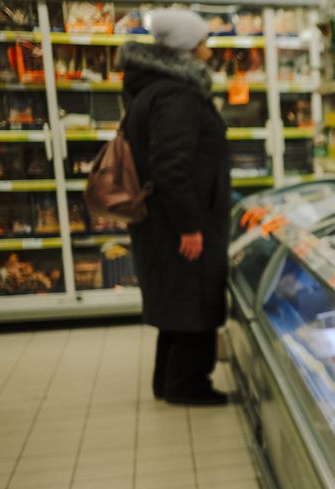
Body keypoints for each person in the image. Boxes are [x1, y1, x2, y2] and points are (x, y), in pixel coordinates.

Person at [118, 9, 230, 406]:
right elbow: (171, 165)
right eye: (202, 41)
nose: (208, 50)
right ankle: (188, 385)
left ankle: (167, 381)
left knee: (177, 302)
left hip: (165, 219)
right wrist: (190, 227)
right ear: (185, 47)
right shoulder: (176, 93)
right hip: (180, 220)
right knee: (193, 299)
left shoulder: (157, 87)